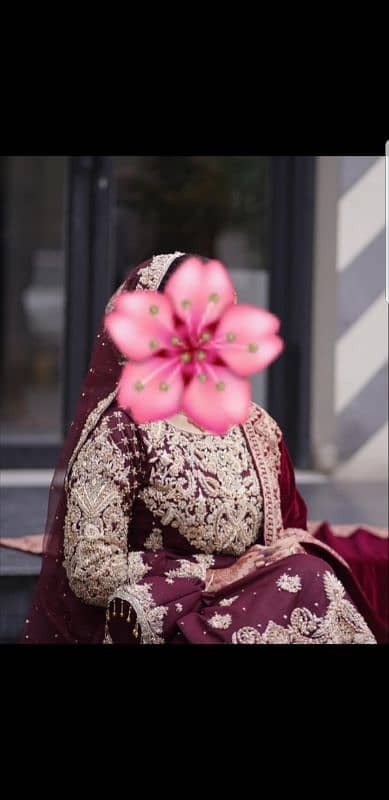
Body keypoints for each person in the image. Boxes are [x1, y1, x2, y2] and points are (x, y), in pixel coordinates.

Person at [22, 252, 384, 644]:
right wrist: (209, 576)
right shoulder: (121, 433)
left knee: (312, 580)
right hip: (177, 612)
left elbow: (288, 528)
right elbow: (90, 569)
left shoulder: (254, 425)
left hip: (259, 595)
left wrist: (272, 558)